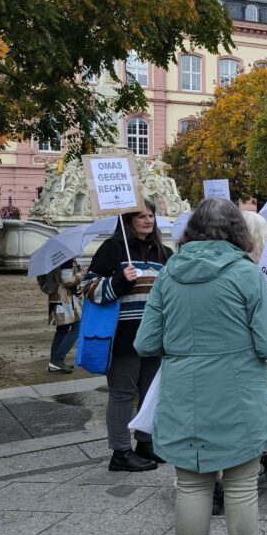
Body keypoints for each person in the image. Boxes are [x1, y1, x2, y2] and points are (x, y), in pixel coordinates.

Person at [133, 198, 267, 535]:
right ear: (237, 232)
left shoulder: (169, 274)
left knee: (191, 485)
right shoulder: (246, 273)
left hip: (183, 395)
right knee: (241, 485)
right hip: (238, 396)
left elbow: (145, 343)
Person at [83, 201, 172, 471]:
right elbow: (88, 287)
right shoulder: (113, 249)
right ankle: (120, 452)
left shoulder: (164, 252)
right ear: (127, 222)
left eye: (151, 215)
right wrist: (119, 281)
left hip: (156, 334)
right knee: (122, 393)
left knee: (151, 393)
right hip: (123, 335)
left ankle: (146, 443)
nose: (148, 220)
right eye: (141, 216)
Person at [41, 260, 86, 373]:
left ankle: (54, 363)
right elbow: (68, 281)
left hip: (56, 297)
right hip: (65, 298)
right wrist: (81, 274)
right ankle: (57, 360)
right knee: (77, 327)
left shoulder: (55, 258)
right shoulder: (66, 259)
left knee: (62, 329)